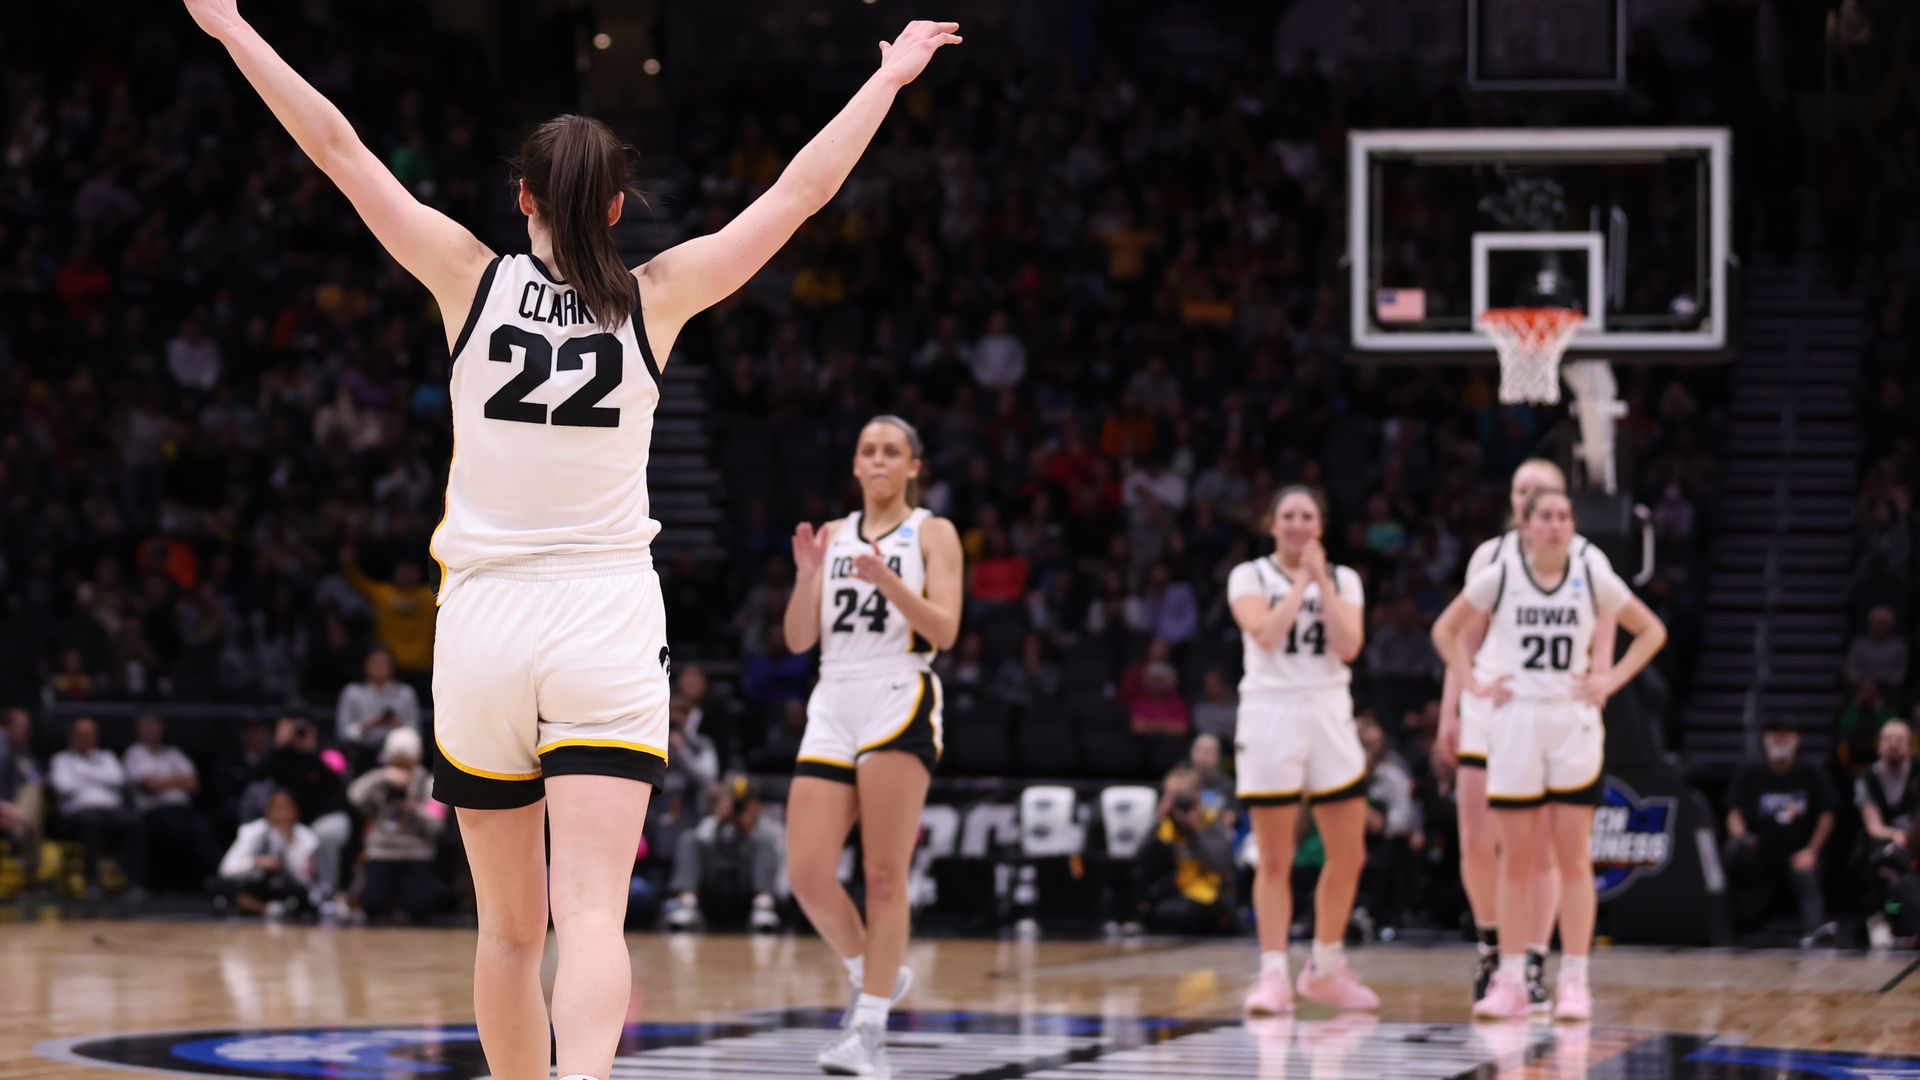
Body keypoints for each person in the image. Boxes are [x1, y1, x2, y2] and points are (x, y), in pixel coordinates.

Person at [185, 3, 958, 1077]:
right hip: (602, 616)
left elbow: (335, 145)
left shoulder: (467, 273)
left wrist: (230, 29)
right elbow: (801, 192)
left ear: (525, 200)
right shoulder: (659, 298)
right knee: (593, 911)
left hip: (485, 623)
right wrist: (889, 78)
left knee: (508, 929)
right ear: (622, 206)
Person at [1431, 489, 1667, 1021]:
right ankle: (1511, 978)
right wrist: (1472, 684)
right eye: (1546, 517)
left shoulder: (1591, 571)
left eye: (1564, 517)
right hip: (1515, 720)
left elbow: (1652, 630)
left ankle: (1575, 980)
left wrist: (1610, 678)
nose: (1556, 526)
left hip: (1571, 718)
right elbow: (1445, 632)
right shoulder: (1502, 572)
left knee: (1571, 857)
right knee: (1515, 859)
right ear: (1527, 525)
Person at [782, 416, 965, 1076]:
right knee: (805, 871)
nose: (880, 460)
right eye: (869, 450)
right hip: (834, 696)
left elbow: (944, 628)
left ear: (913, 467)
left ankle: (871, 1030)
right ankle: (874, 971)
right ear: (856, 465)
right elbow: (799, 640)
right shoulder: (830, 536)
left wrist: (887, 580)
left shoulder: (932, 532)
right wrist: (808, 577)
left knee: (885, 874)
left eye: (893, 451)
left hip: (897, 689)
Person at [1227, 486, 1379, 1015]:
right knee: (1274, 856)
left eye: (1307, 516)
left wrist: (1320, 581)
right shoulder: (1249, 576)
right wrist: (1302, 584)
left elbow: (1349, 646)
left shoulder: (1346, 579)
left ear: (1321, 525)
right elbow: (1265, 634)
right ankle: (1273, 973)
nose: (1297, 524)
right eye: (1288, 516)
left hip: (1329, 710)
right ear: (1271, 524)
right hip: (1271, 711)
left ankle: (1326, 964)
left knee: (1349, 853)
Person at [1724, 721, 1838, 947]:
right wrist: (1742, 837)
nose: (1780, 740)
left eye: (1786, 735)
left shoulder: (1810, 770)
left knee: (1806, 871)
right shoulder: (1751, 770)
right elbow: (1733, 812)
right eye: (1775, 735)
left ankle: (1815, 929)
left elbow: (1828, 813)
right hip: (1760, 849)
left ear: (1796, 739)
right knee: (1733, 851)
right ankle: (1726, 926)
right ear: (1766, 740)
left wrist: (1812, 850)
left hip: (1797, 852)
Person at [662, 775, 784, 933]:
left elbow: (779, 860)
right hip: (713, 890)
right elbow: (701, 838)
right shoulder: (711, 824)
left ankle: (764, 905)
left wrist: (747, 830)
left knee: (765, 845)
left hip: (747, 892)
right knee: (690, 840)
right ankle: (686, 903)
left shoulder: (769, 829)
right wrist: (721, 820)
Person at [348, 727, 444, 923]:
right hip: (382, 851)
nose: (401, 768)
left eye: (406, 763)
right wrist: (382, 776)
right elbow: (354, 796)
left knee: (422, 907)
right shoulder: (379, 781)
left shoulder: (429, 783)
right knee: (374, 906)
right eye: (396, 762)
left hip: (416, 852)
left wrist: (412, 808)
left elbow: (436, 825)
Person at [48, 717, 146, 900]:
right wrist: (100, 778)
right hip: (77, 815)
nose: (87, 739)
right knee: (91, 821)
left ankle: (134, 884)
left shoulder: (107, 756)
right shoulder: (62, 759)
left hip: (110, 812)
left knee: (134, 821)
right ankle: (93, 882)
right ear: (72, 737)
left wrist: (83, 776)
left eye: (91, 735)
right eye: (82, 735)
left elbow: (119, 779)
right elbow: (63, 786)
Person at [122, 713, 219, 893]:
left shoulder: (173, 753)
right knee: (177, 827)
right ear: (139, 730)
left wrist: (164, 781)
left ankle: (219, 878)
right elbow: (149, 785)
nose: (152, 730)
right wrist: (178, 780)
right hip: (154, 811)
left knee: (204, 825)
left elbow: (195, 785)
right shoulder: (135, 753)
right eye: (147, 726)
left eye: (155, 725)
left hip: (183, 809)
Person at [1136, 765, 1236, 934]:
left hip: (1207, 897)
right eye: (1171, 795)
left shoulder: (1210, 820)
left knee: (1180, 913)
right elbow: (1141, 862)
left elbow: (1222, 866)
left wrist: (1197, 831)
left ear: (1195, 795)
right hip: (1174, 892)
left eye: (1180, 796)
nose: (1177, 802)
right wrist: (1159, 819)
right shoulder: (1165, 826)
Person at [1857, 718, 1916, 949]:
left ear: (1910, 744)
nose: (1894, 744)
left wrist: (1912, 840)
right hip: (1884, 840)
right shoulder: (1868, 778)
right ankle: (1882, 917)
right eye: (1889, 739)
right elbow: (1874, 826)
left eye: (1900, 739)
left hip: (1916, 840)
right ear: (1880, 745)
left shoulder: (1917, 772)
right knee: (1881, 864)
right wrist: (1897, 836)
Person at [217, 788, 320, 917]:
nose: (281, 813)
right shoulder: (251, 832)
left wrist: (286, 843)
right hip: (255, 885)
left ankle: (274, 909)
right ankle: (264, 908)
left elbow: (305, 881)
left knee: (305, 897)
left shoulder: (308, 839)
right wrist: (256, 862)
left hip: (284, 888)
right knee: (218, 885)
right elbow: (226, 869)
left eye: (285, 807)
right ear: (267, 811)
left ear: (296, 810)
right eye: (275, 807)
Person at [335, 649, 422, 763]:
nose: (378, 667)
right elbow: (343, 734)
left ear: (392, 668)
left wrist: (397, 722)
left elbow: (416, 732)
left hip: (397, 753)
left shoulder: (405, 693)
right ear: (366, 666)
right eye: (374, 663)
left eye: (383, 663)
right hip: (362, 751)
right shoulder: (352, 692)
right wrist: (370, 722)